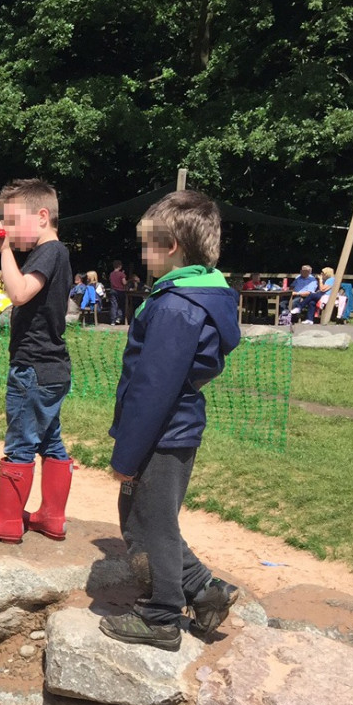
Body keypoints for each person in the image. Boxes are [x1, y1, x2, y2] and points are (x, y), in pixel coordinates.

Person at [100, 190, 241, 650]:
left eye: (147, 246)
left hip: (163, 430)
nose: (143, 255)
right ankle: (205, 590)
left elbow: (153, 389)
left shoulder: (177, 307)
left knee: (152, 522)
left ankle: (162, 615)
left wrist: (126, 453)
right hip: (171, 427)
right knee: (141, 512)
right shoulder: (192, 296)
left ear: (172, 247)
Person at [0, 178, 75, 543]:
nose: (6, 229)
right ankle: (52, 517)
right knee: (51, 442)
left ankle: (8, 521)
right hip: (53, 368)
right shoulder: (56, 253)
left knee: (21, 443)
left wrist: (4, 251)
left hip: (33, 367)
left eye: (13, 221)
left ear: (42, 217)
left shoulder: (48, 252)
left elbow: (21, 292)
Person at [109, 260, 128, 324]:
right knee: (121, 305)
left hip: (113, 290)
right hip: (120, 290)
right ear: (120, 266)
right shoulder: (121, 274)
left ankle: (112, 320)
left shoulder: (111, 274)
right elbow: (124, 282)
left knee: (113, 305)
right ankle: (119, 318)